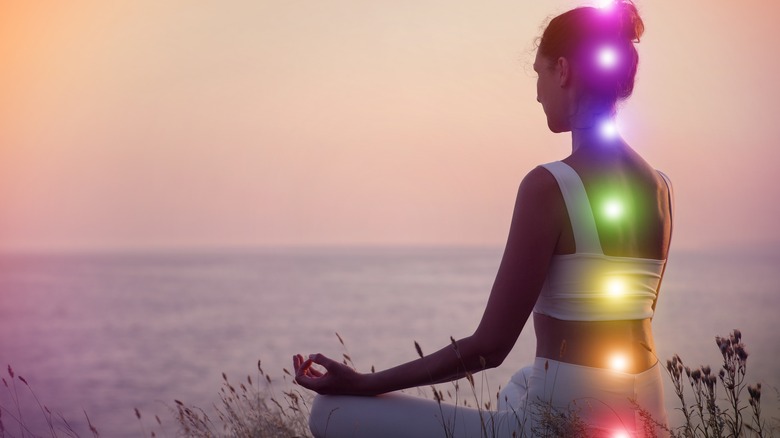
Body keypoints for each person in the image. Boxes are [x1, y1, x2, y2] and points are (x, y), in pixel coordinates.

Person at [293, 1, 673, 436]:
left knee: (329, 412)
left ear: (563, 70)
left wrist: (364, 383)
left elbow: (489, 348)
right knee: (520, 384)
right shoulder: (661, 188)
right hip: (647, 418)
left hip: (563, 426)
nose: (537, 93)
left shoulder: (550, 185)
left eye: (539, 73)